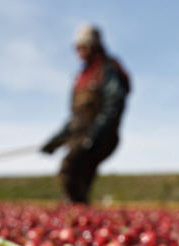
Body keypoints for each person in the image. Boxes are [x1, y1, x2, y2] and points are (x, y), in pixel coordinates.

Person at [41, 24, 130, 204]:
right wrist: (55, 140)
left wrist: (95, 134)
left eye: (83, 47)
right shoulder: (82, 76)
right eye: (77, 48)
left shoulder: (107, 69)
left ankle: (77, 212)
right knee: (79, 176)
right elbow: (75, 119)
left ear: (94, 46)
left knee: (70, 168)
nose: (79, 52)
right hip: (79, 136)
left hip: (101, 135)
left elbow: (114, 103)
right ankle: (78, 212)